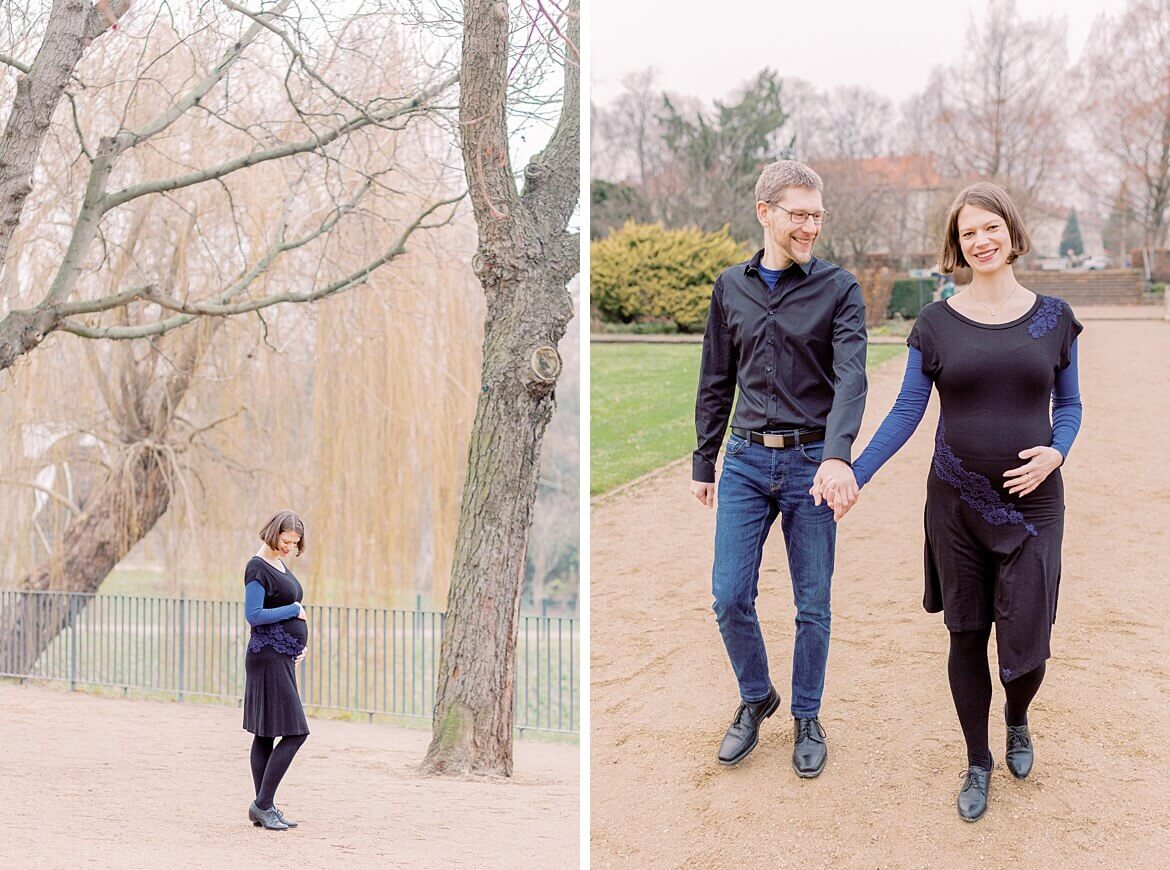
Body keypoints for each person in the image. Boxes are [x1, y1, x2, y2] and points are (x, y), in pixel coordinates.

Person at [824, 182, 1083, 822]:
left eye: (990, 228)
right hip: (956, 505)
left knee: (1028, 640)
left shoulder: (1053, 316)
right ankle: (978, 760)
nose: (982, 240)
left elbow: (1070, 404)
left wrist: (1057, 451)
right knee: (966, 634)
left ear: (1010, 232)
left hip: (1033, 506)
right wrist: (856, 472)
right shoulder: (936, 323)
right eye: (969, 233)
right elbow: (909, 409)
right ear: (957, 245)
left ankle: (1017, 717)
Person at [691, 159, 867, 775]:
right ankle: (755, 696)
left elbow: (851, 380)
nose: (809, 227)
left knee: (812, 603)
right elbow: (715, 376)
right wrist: (703, 460)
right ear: (765, 213)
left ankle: (806, 717)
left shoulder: (839, 289)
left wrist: (839, 455)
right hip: (742, 460)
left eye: (816, 216)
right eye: (799, 215)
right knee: (728, 595)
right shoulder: (728, 287)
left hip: (812, 464)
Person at [243, 509, 311, 831]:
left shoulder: (279, 566)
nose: (290, 548)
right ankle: (263, 804)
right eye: (286, 541)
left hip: (280, 655)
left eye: (295, 543)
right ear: (274, 534)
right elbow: (254, 615)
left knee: (266, 733)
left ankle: (264, 807)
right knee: (297, 732)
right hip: (266, 658)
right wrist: (295, 609)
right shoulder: (257, 568)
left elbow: (282, 618)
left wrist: (300, 646)